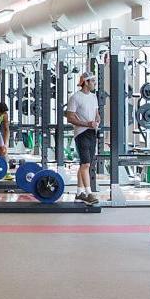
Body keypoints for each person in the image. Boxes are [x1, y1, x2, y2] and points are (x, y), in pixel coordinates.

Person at [62, 74, 103, 205]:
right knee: (86, 164)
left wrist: (97, 119)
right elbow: (70, 118)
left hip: (92, 132)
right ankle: (89, 193)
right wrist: (87, 124)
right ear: (86, 82)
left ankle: (79, 193)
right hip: (81, 133)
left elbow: (96, 114)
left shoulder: (93, 97)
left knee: (85, 164)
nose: (95, 84)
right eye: (93, 81)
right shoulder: (75, 97)